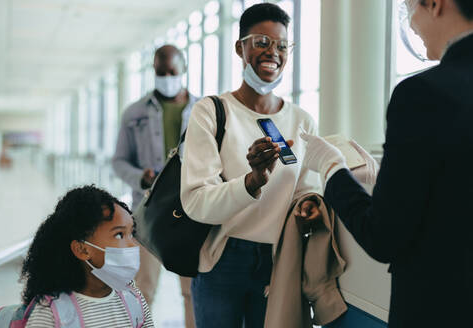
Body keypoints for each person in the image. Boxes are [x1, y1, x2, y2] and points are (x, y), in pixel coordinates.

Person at [299, 0, 473, 327]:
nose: (411, 26)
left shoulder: (423, 95)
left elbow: (384, 237)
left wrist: (332, 168)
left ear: (435, 4)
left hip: (440, 308)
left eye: (410, 10)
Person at [180, 4, 323, 328]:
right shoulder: (212, 112)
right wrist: (252, 181)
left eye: (282, 45)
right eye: (261, 41)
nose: (272, 52)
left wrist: (310, 205)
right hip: (222, 258)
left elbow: (307, 190)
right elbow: (196, 201)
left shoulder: (302, 121)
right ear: (240, 47)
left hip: (279, 258)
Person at [112, 45, 197, 327]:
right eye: (161, 73)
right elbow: (119, 161)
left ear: (183, 70)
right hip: (147, 214)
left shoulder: (203, 111)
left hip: (192, 214)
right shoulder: (134, 113)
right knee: (142, 289)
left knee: (192, 292)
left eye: (172, 72)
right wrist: (141, 177)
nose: (167, 78)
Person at [20, 185, 154, 327]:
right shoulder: (51, 313)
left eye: (131, 233)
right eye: (119, 235)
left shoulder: (133, 299)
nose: (133, 245)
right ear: (82, 249)